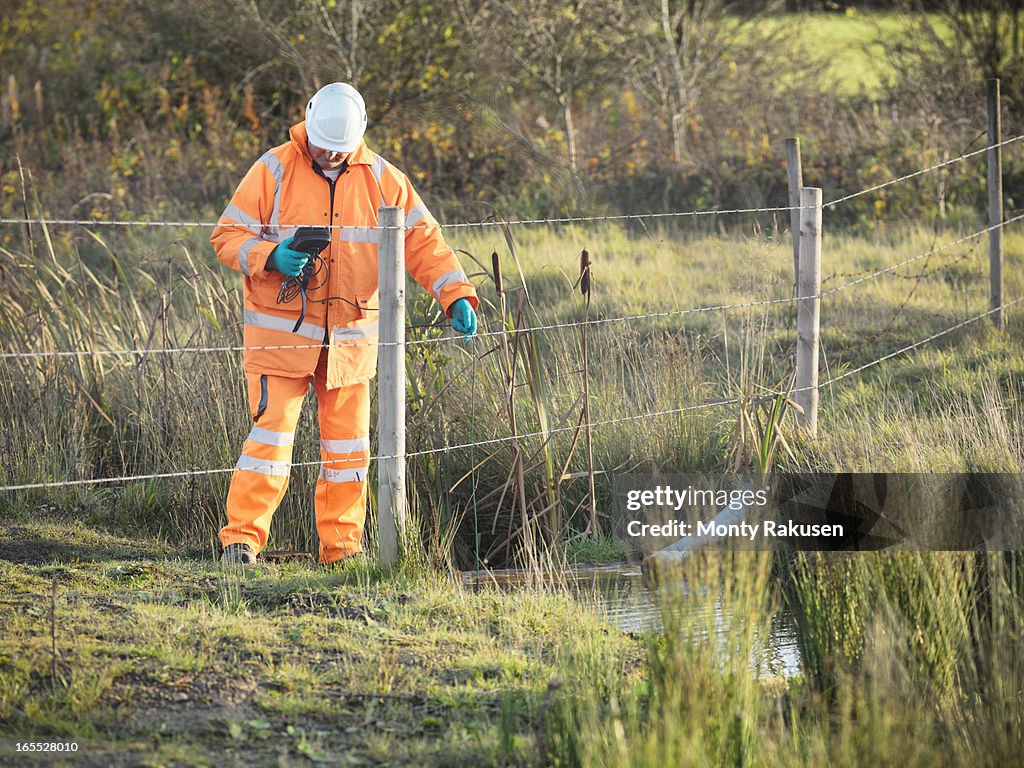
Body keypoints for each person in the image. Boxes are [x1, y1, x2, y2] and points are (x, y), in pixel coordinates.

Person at [211, 82, 478, 566]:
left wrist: (454, 294)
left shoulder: (384, 179)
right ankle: (241, 543)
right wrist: (272, 256)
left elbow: (425, 242)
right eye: (321, 147)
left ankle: (342, 553)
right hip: (281, 338)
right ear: (306, 127)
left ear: (358, 139)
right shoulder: (272, 168)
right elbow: (227, 236)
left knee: (348, 453)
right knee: (269, 442)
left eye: (339, 150)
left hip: (350, 343)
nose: (329, 156)